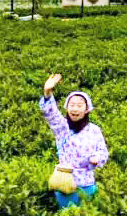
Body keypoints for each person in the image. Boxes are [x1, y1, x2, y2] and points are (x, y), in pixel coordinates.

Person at [40, 73, 109, 208]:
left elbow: (103, 152)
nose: (75, 108)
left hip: (88, 184)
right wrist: (47, 93)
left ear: (87, 109)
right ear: (67, 107)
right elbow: (51, 114)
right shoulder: (62, 127)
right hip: (65, 183)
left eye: (79, 105)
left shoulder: (94, 130)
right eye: (72, 105)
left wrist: (97, 158)